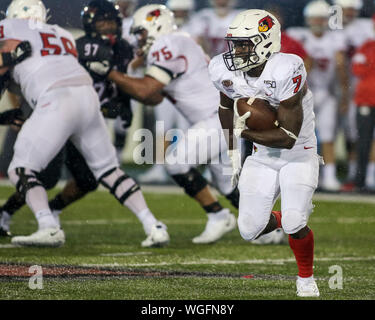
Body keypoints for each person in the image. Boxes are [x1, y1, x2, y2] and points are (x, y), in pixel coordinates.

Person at [0, 0, 169, 248]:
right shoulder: (61, 33)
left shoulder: (8, 28)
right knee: (109, 171)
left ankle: (48, 225)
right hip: (87, 97)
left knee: (21, 169)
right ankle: (153, 225)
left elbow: (5, 67)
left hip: (55, 100)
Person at [87, 4, 238, 244]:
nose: (139, 38)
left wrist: (111, 74)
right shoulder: (178, 41)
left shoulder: (167, 44)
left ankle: (219, 215)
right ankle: (269, 228)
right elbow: (155, 97)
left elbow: (148, 90)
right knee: (227, 183)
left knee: (176, 162)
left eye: (141, 32)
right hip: (221, 116)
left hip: (217, 117)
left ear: (155, 26)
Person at [209, 9, 320, 297]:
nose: (238, 50)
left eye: (245, 44)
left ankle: (306, 278)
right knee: (249, 230)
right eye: (235, 44)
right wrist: (233, 150)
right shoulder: (222, 68)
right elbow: (225, 107)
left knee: (298, 222)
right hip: (261, 156)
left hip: (298, 152)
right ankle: (285, 216)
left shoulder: (287, 67)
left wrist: (241, 133)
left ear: (266, 42)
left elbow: (287, 136)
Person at [287, 0, 349, 192]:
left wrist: (344, 95)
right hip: (302, 94)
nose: (318, 22)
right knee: (297, 136)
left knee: (328, 134)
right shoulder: (298, 36)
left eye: (322, 18)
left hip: (325, 93)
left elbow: (341, 70)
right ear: (308, 19)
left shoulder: (335, 39)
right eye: (315, 18)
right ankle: (297, 175)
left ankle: (329, 176)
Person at [333, 0, 375, 189]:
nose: (349, 12)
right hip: (344, 85)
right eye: (345, 9)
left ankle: (363, 175)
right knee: (350, 132)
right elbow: (340, 61)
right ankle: (354, 173)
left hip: (359, 86)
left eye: (352, 9)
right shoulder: (335, 26)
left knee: (361, 133)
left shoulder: (366, 27)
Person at [351, 14, 375, 191]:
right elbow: (357, 69)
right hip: (366, 99)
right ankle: (360, 180)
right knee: (363, 141)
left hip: (367, 95)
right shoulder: (367, 46)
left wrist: (370, 66)